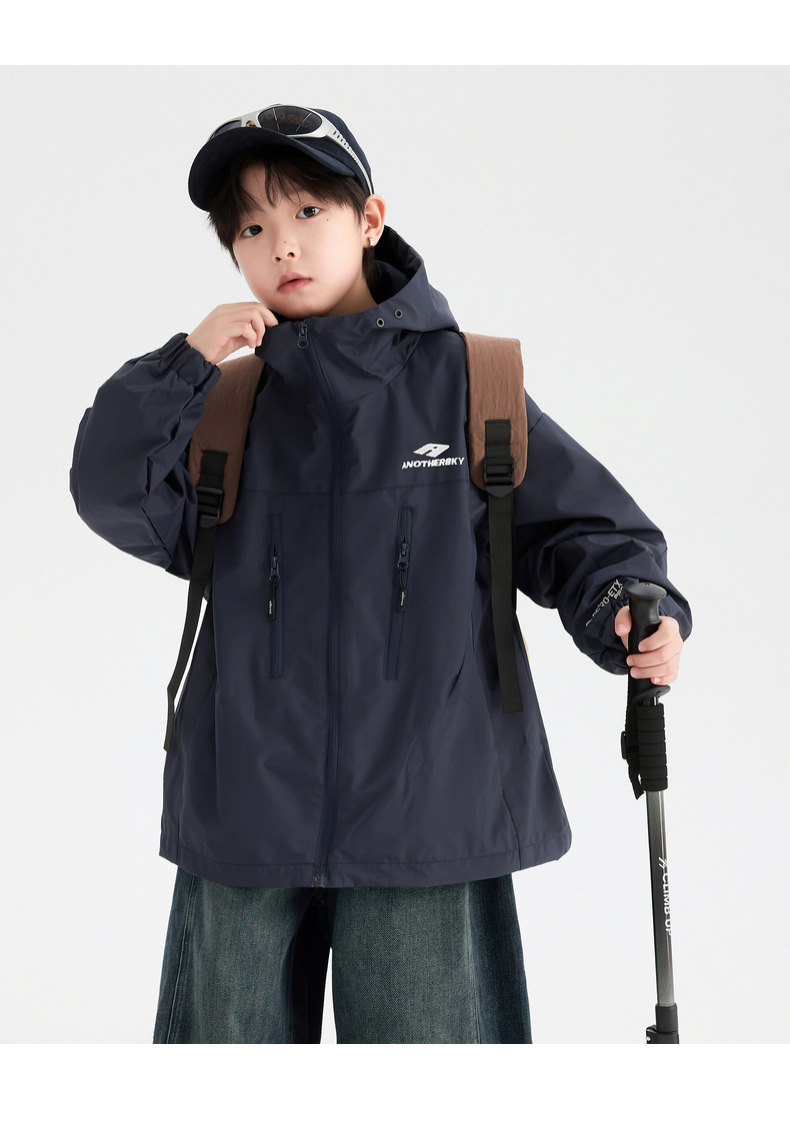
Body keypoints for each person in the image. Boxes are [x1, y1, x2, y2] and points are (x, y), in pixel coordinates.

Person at [69, 103, 692, 1044]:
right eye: (251, 228)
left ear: (369, 218)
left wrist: (628, 603)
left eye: (306, 211)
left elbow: (584, 531)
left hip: (429, 814)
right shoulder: (225, 405)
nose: (282, 245)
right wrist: (184, 364)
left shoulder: (471, 384)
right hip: (246, 814)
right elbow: (110, 489)